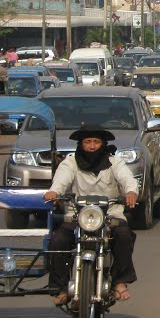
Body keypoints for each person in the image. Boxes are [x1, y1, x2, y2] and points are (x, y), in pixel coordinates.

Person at [44, 127, 138, 304]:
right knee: (58, 241)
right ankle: (61, 287)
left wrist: (131, 192)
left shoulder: (114, 162)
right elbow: (61, 180)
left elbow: (127, 179)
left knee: (124, 236)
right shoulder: (70, 163)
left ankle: (119, 281)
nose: (92, 146)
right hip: (77, 216)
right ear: (81, 144)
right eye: (88, 142)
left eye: (96, 142)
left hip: (110, 214)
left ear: (103, 144)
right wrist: (54, 192)